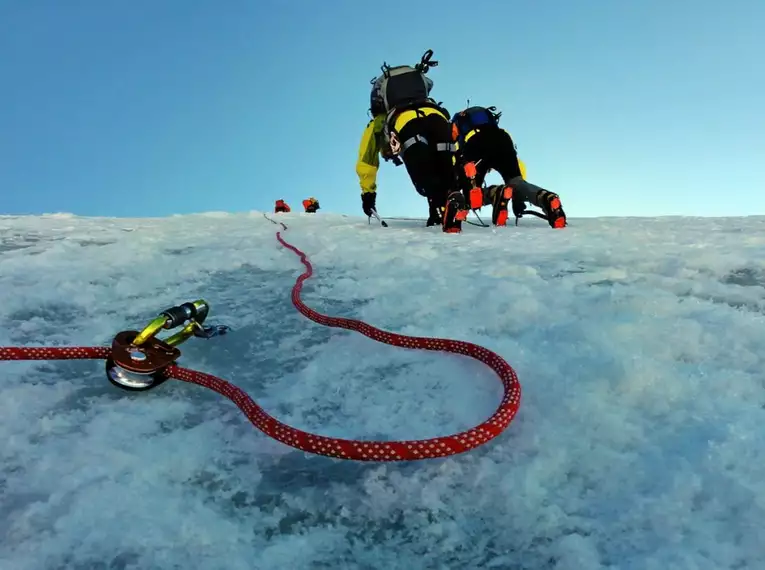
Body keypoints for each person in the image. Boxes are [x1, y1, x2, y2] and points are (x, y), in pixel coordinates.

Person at [355, 49, 468, 233]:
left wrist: (368, 193)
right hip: (438, 118)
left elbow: (367, 160)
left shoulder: (379, 122)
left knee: (423, 179)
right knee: (445, 176)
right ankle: (445, 204)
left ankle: (442, 208)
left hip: (407, 124)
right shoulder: (426, 101)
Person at [451, 105, 567, 229]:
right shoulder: (489, 122)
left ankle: (495, 193)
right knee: (517, 182)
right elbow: (519, 170)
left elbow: (458, 158)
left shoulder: (458, 121)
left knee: (472, 195)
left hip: (476, 141)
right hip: (504, 139)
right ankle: (546, 199)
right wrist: (518, 199)